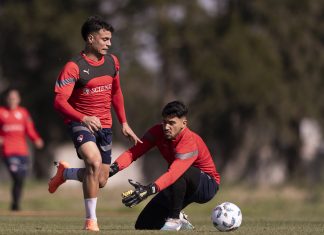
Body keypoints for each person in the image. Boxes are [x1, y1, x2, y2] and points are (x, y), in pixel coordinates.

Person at [49, 15, 141, 231]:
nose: (109, 44)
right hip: (81, 122)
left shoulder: (112, 62)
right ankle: (91, 221)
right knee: (93, 160)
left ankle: (66, 173)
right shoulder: (74, 67)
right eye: (105, 39)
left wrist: (124, 123)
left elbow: (116, 92)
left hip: (105, 126)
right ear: (91, 39)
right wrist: (83, 118)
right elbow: (59, 101)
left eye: (110, 39)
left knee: (100, 180)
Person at [109, 100, 220, 231]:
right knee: (143, 224)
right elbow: (134, 152)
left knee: (179, 172)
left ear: (183, 124)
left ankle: (174, 219)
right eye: (164, 122)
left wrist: (149, 190)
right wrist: (112, 169)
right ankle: (180, 217)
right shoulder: (158, 132)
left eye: (172, 123)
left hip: (206, 186)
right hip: (179, 183)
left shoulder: (189, 141)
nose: (166, 127)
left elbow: (174, 173)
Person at [0, 88, 44, 211]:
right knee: (16, 176)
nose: (12, 100)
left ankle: (15, 204)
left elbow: (29, 129)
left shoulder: (23, 113)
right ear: (6, 99)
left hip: (22, 151)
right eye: (10, 98)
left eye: (14, 98)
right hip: (8, 151)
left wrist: (36, 139)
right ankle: (15, 204)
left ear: (18, 99)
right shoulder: (1, 112)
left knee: (20, 180)